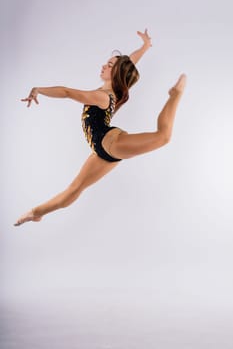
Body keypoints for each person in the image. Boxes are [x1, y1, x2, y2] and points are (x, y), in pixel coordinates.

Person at [14, 29, 186, 226]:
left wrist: (39, 90)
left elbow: (67, 92)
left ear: (117, 72)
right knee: (74, 189)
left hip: (112, 142)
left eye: (110, 65)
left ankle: (175, 94)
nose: (104, 65)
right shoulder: (117, 92)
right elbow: (130, 62)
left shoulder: (103, 97)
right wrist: (145, 46)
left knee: (163, 137)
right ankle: (35, 213)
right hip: (101, 150)